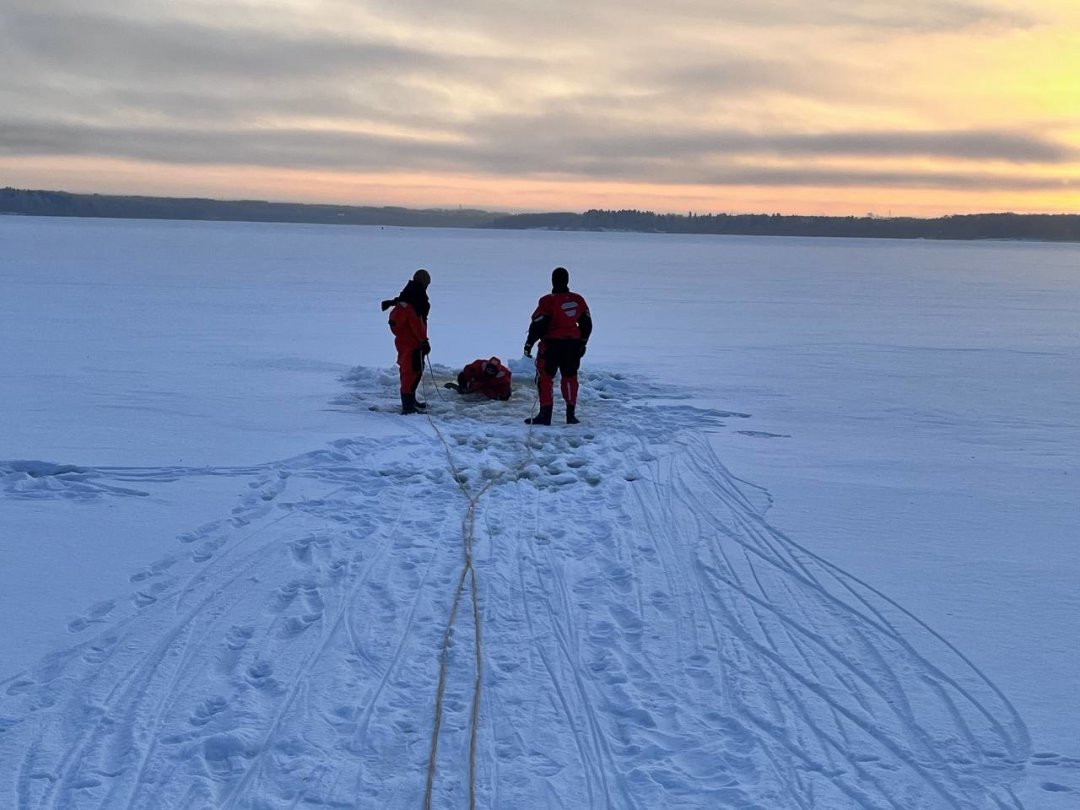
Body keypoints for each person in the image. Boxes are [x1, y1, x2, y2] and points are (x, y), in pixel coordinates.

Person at [523, 266, 592, 425]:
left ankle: (545, 415)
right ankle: (570, 415)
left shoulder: (547, 301)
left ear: (552, 281)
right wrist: (582, 343)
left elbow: (538, 325)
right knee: (570, 377)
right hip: (573, 346)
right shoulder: (578, 300)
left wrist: (528, 345)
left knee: (545, 378)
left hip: (552, 346)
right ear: (567, 281)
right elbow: (587, 324)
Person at [381, 268, 431, 414]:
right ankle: (407, 406)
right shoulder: (413, 300)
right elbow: (416, 323)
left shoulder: (409, 296)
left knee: (415, 370)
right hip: (411, 342)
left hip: (408, 341)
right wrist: (423, 341)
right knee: (410, 372)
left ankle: (411, 400)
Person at [444, 356, 513, 400]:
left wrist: (501, 396)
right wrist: (464, 385)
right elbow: (463, 374)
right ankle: (466, 388)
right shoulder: (478, 366)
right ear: (486, 367)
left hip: (493, 386)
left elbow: (505, 391)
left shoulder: (503, 378)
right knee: (469, 384)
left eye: (492, 371)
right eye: (488, 370)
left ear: (497, 372)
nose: (489, 372)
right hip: (478, 381)